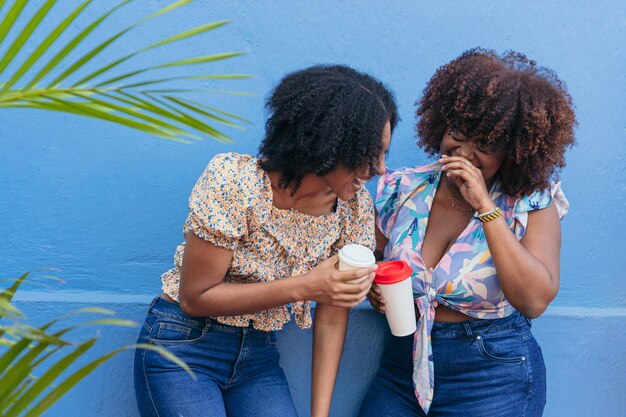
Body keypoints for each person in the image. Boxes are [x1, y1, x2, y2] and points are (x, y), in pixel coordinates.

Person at [133, 64, 398, 417]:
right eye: (368, 154)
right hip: (185, 342)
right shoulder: (235, 180)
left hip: (257, 355)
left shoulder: (354, 207)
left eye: (383, 154)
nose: (379, 169)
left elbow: (333, 315)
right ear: (328, 143)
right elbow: (195, 298)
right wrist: (306, 286)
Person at [360, 49, 576, 417]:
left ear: (514, 152)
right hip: (403, 365)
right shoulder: (402, 189)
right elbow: (372, 262)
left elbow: (534, 301)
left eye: (486, 146)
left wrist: (485, 208)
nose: (465, 152)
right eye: (457, 134)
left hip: (492, 374)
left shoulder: (531, 204)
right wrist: (374, 290)